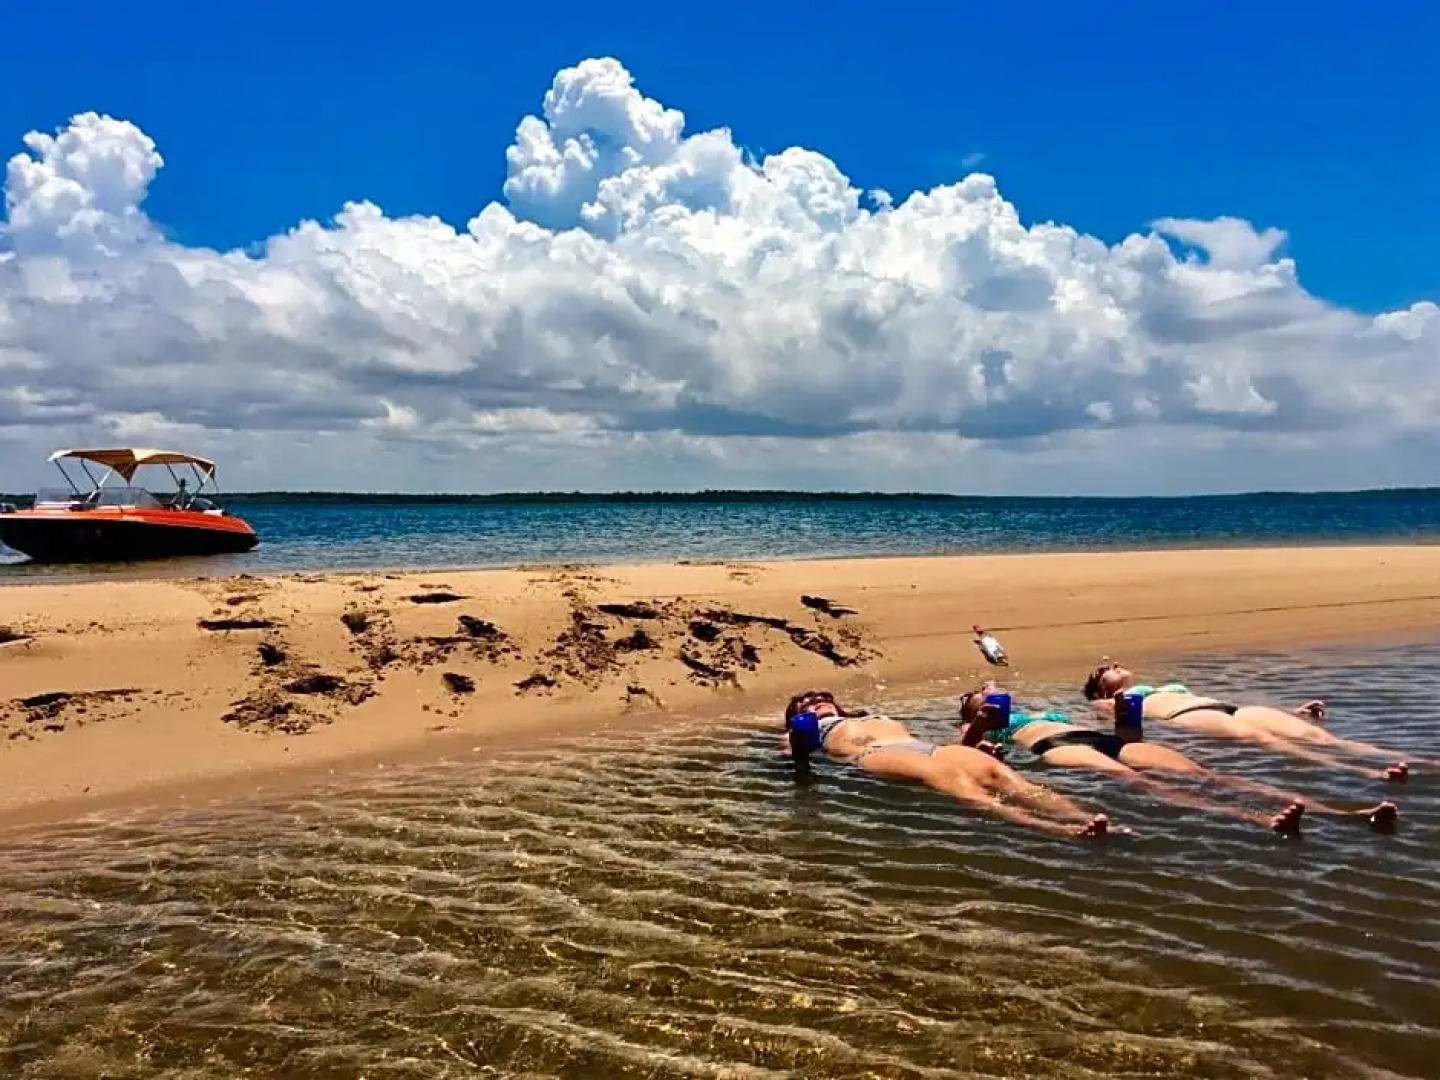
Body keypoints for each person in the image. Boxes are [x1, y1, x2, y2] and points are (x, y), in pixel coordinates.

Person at [954, 686, 1398, 834]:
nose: (987, 700)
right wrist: (980, 724)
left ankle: (1351, 814)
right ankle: (1262, 822)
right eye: (979, 700)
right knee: (1146, 784)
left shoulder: (1036, 710)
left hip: (1103, 737)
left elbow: (1129, 733)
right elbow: (970, 753)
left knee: (1203, 772)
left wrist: (1128, 719)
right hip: (1055, 749)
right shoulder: (981, 725)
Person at [782, 689, 1120, 840]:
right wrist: (799, 739)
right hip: (874, 754)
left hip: (924, 745)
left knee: (1002, 776)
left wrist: (980, 731)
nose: (817, 703)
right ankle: (1056, 830)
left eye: (822, 699)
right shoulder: (803, 731)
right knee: (952, 779)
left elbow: (960, 743)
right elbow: (796, 760)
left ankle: (1082, 815)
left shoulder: (870, 715)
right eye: (806, 704)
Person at [1082, 660, 1411, 783]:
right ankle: (1367, 772)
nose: (1114, 662)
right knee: (1267, 741)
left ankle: (1418, 760)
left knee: (1322, 737)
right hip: (1192, 716)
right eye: (1105, 669)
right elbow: (1114, 718)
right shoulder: (1109, 700)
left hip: (1230, 707)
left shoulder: (1162, 686)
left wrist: (1292, 709)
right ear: (1102, 687)